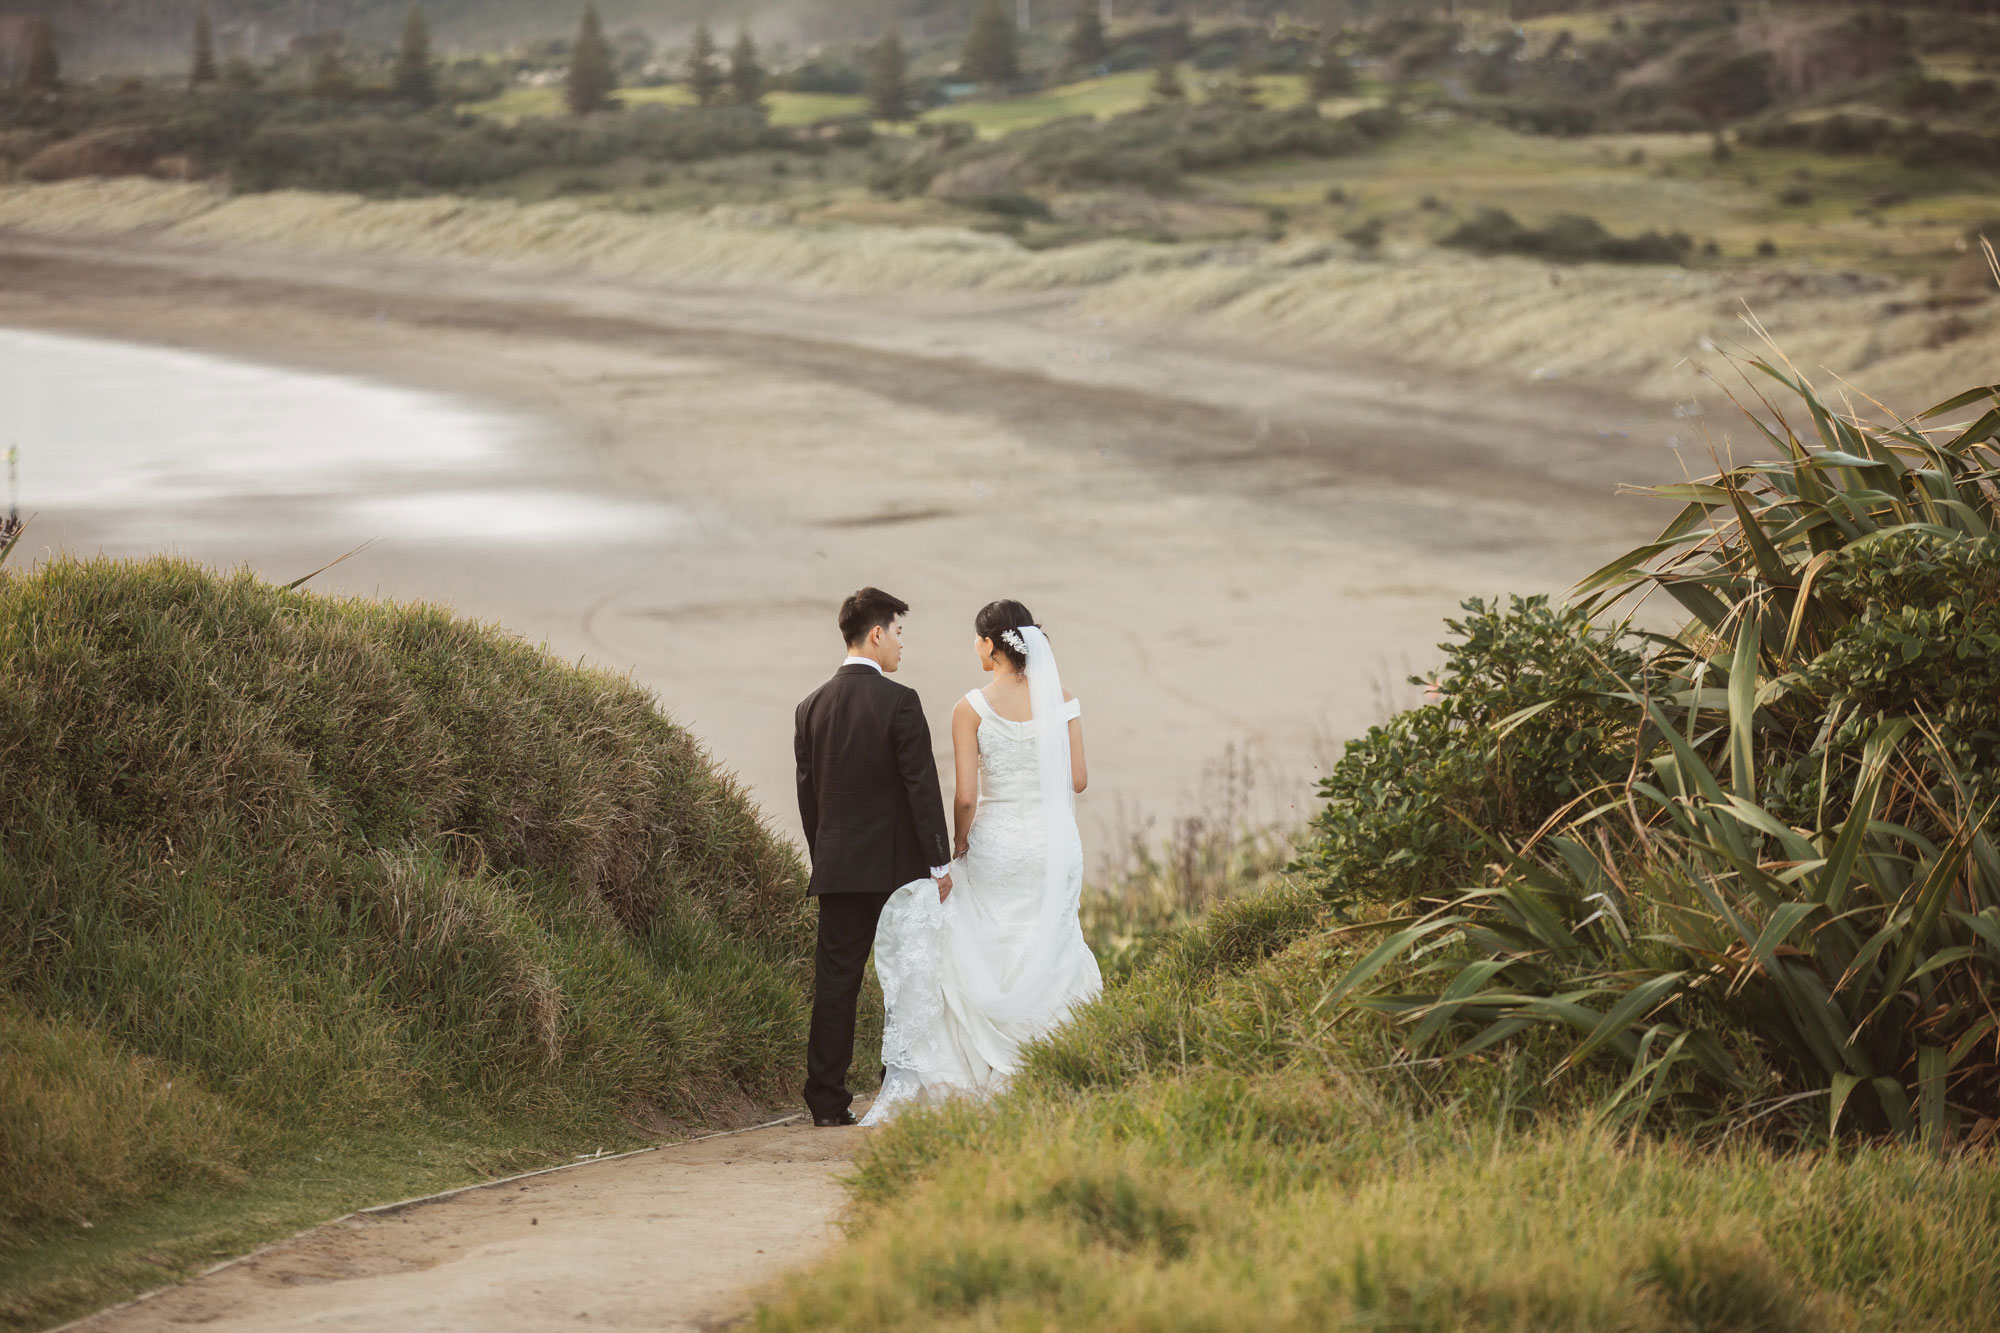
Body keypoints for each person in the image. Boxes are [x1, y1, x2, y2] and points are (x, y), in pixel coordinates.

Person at [861, 598, 1102, 1126]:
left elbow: (966, 796)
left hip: (997, 842)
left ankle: (985, 1062)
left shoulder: (969, 707)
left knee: (985, 940)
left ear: (992, 644)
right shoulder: (1063, 701)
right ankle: (1050, 1061)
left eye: (977, 639)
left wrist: (959, 843)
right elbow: (1078, 780)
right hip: (1053, 842)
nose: (975, 647)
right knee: (1050, 938)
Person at [793, 587, 953, 1127]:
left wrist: (826, 856)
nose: (902, 646)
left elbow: (808, 797)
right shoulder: (900, 702)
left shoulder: (809, 706)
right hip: (897, 872)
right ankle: (896, 1089)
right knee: (905, 982)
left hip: (837, 868)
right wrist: (940, 864)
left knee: (836, 981)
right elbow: (921, 789)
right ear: (877, 634)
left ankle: (825, 1100)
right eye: (899, 634)